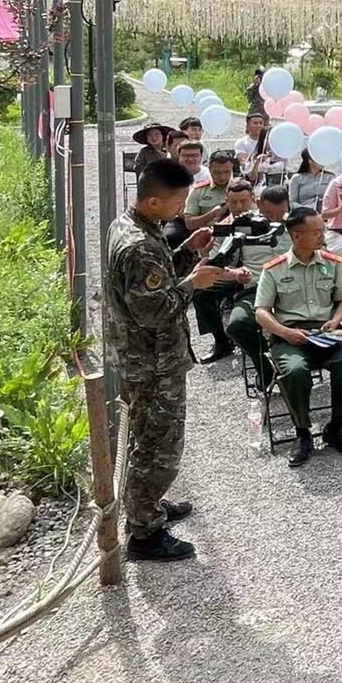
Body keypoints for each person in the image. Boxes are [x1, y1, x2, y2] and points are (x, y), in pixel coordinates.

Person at [103, 159, 230, 561]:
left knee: (148, 437)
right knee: (160, 446)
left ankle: (146, 505)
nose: (182, 210)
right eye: (178, 203)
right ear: (154, 201)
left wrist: (186, 252)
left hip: (145, 357)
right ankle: (144, 533)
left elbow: (154, 280)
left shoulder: (131, 224)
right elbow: (153, 310)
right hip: (153, 362)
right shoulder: (139, 245)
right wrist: (194, 283)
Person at [253, 208, 342, 467]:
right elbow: (261, 312)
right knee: (295, 371)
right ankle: (303, 432)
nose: (322, 236)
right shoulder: (274, 270)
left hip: (325, 334)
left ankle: (336, 427)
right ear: (296, 236)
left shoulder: (332, 263)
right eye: (316, 232)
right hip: (289, 336)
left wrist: (336, 320)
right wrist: (285, 332)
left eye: (322, 230)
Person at [222, 184, 294, 380]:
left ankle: (292, 362)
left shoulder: (296, 224)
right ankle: (266, 365)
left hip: (293, 287)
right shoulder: (243, 226)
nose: (275, 218)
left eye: (281, 212)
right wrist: (236, 273)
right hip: (256, 288)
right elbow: (220, 263)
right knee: (237, 325)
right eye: (270, 213)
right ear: (259, 204)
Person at [189, 176, 257, 362]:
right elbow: (214, 264)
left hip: (259, 276)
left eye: (243, 201)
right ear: (227, 201)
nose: (239, 206)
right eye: (233, 202)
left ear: (253, 199)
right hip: (232, 275)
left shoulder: (264, 222)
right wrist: (206, 253)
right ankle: (221, 340)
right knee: (200, 290)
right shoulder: (222, 227)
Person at [183, 148, 235, 229]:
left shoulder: (242, 189)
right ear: (210, 169)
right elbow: (189, 224)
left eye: (226, 172)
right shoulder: (199, 191)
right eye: (217, 172)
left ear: (231, 168)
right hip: (208, 233)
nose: (222, 177)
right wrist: (212, 214)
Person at [233, 114, 283, 180]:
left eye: (261, 123)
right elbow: (244, 162)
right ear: (248, 126)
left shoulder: (271, 142)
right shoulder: (241, 142)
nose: (259, 126)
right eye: (255, 123)